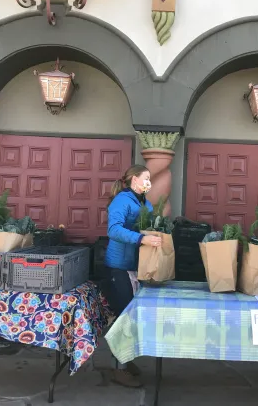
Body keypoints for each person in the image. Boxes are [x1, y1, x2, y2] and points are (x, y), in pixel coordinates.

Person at [104, 164, 161, 388]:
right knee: (123, 317)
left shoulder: (143, 202)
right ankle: (119, 368)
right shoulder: (121, 200)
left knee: (132, 315)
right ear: (133, 179)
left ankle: (125, 360)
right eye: (146, 178)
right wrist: (141, 239)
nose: (149, 182)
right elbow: (114, 230)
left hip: (135, 266)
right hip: (119, 266)